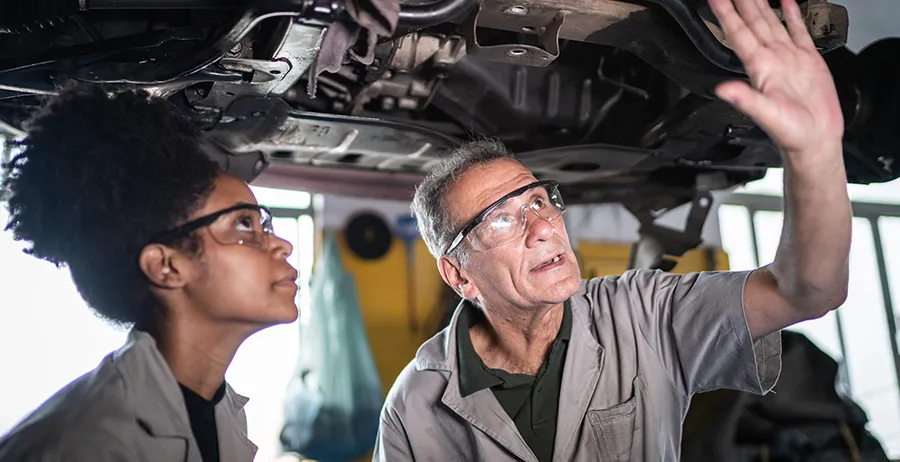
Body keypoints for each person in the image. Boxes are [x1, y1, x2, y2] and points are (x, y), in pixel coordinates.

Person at [374, 0, 851, 460]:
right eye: (502, 218)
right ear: (458, 275)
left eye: (538, 201)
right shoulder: (415, 405)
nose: (542, 228)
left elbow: (808, 292)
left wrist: (815, 152)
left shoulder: (645, 315)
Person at [0, 86, 300, 461]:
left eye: (263, 223)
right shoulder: (81, 445)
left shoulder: (219, 412)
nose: (281, 245)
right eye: (243, 225)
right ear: (167, 266)